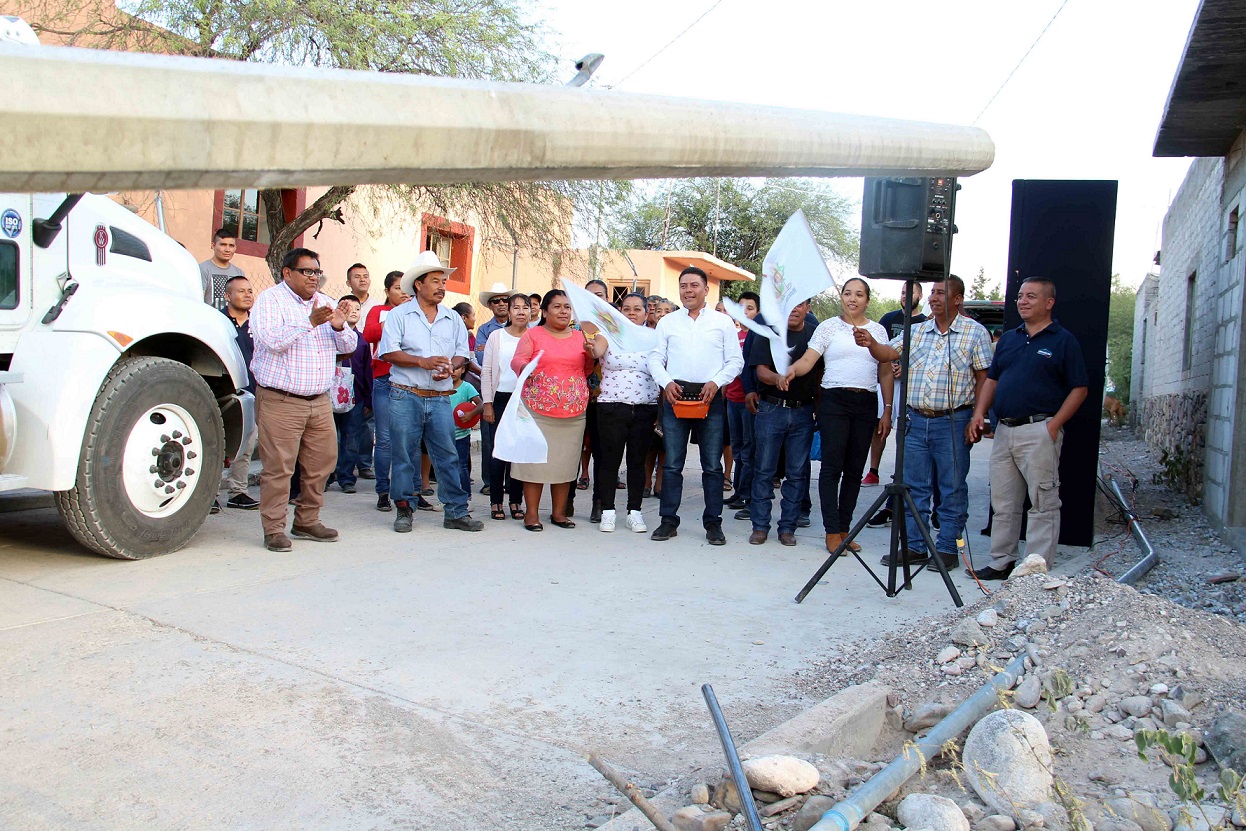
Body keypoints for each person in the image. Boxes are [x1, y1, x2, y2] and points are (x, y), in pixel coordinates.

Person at [854, 276, 993, 569]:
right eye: (932, 293)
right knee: (914, 487)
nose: (933, 298)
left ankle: (947, 549)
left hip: (953, 421)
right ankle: (916, 546)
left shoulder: (974, 333)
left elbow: (984, 378)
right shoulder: (916, 332)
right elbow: (887, 353)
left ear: (957, 299)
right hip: (916, 420)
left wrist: (978, 415)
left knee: (952, 487)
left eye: (941, 293)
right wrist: (869, 343)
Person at [966, 277, 1088, 579]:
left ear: (1049, 302)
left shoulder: (1062, 341)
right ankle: (1002, 560)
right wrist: (979, 413)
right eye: (1020, 296)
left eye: (1031, 296)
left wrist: (1054, 426)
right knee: (1004, 503)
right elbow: (991, 380)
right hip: (1004, 431)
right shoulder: (1009, 339)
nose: (1023, 301)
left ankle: (1036, 568)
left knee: (1043, 502)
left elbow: (1080, 389)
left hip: (1039, 432)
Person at [249, 247, 357, 552]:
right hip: (280, 400)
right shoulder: (270, 300)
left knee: (322, 463)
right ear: (287, 273)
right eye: (307, 271)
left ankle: (307, 520)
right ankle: (274, 528)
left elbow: (348, 345)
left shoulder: (326, 302)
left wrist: (339, 326)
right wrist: (309, 322)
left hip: (319, 400)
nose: (313, 277)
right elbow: (272, 341)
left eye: (317, 272)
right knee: (279, 468)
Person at [785, 278, 893, 554]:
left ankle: (845, 529)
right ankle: (832, 531)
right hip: (834, 401)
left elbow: (885, 371)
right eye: (847, 293)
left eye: (859, 294)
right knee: (832, 468)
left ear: (867, 300)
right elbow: (809, 359)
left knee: (855, 470)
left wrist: (888, 409)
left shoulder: (878, 330)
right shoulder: (828, 327)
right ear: (841, 297)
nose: (853, 299)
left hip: (866, 402)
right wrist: (792, 370)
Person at [378, 250, 483, 533]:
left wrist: (452, 366)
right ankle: (404, 509)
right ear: (418, 285)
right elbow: (387, 352)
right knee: (403, 455)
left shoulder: (452, 319)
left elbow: (463, 354)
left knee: (447, 454)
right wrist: (422, 362)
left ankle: (456, 512)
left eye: (443, 282)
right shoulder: (398, 315)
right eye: (435, 281)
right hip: (405, 393)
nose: (441, 287)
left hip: (439, 397)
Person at [647, 267, 744, 544]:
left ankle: (713, 523)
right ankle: (668, 521)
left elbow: (735, 362)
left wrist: (717, 382)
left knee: (712, 466)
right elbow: (655, 359)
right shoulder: (668, 322)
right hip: (676, 396)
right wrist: (666, 383)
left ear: (706, 290)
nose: (688, 291)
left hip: (709, 398)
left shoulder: (722, 323)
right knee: (673, 465)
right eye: (683, 286)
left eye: (694, 285)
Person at [509, 290, 594, 531]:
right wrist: (526, 366)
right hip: (537, 411)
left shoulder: (580, 337)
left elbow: (586, 370)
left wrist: (590, 353)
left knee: (565, 465)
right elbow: (516, 360)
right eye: (557, 306)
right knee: (534, 464)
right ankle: (532, 515)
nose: (563, 311)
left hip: (573, 413)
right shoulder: (533, 335)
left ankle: (559, 514)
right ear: (544, 311)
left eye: (567, 307)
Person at [744, 300, 820, 545]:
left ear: (808, 309)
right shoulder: (770, 332)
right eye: (790, 305)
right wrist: (777, 379)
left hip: (803, 412)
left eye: (801, 305)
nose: (795, 309)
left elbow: (821, 373)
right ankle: (760, 527)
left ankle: (787, 527)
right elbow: (761, 371)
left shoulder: (815, 336)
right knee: (764, 470)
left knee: (797, 474)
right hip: (771, 409)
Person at [585, 291, 658, 533]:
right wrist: (590, 346)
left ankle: (634, 512)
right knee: (609, 460)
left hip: (645, 407)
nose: (632, 313)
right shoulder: (609, 335)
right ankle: (608, 511)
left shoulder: (654, 338)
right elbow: (595, 352)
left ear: (646, 313)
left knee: (637, 462)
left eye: (637, 309)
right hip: (611, 407)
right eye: (627, 308)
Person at [863, 280, 926, 487]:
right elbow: (879, 348)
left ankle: (902, 473)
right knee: (879, 424)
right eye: (902, 292)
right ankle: (873, 470)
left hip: (910, 385)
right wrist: (889, 365)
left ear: (920, 297)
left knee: (906, 428)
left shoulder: (925, 323)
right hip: (885, 379)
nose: (905, 296)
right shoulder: (888, 319)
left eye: (910, 292)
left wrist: (904, 370)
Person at [362, 270, 410, 512]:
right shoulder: (379, 312)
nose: (402, 292)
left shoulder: (417, 312)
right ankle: (383, 490)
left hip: (410, 381)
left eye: (405, 287)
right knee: (384, 440)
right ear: (387, 291)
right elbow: (368, 334)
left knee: (409, 439)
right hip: (384, 379)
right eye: (397, 288)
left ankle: (409, 492)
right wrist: (395, 319)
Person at [481, 293, 531, 520]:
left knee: (519, 452)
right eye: (516, 307)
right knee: (498, 451)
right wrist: (488, 403)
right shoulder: (496, 336)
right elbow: (487, 371)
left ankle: (515, 501)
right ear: (508, 312)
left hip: (524, 401)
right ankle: (496, 501)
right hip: (500, 398)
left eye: (525, 307)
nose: (521, 312)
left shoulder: (534, 336)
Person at [217, 274, 258, 512]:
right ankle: (209, 494)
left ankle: (238, 492)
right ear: (228, 296)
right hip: (222, 392)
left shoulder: (258, 324)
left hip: (251, 392)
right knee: (216, 444)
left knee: (246, 445)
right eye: (241, 291)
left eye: (250, 290)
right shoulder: (217, 322)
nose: (247, 295)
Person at [330, 295, 372, 494]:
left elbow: (367, 371)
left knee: (351, 437)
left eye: (358, 307)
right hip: (329, 394)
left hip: (355, 397)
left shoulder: (362, 341)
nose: (354, 310)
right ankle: (327, 475)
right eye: (348, 307)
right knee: (329, 438)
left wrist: (367, 398)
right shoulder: (328, 335)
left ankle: (346, 477)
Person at [723, 291, 760, 512]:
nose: (745, 312)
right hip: (731, 398)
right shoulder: (732, 335)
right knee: (737, 447)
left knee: (749, 449)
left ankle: (748, 494)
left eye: (750, 308)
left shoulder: (759, 336)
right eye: (741, 308)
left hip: (749, 400)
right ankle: (739, 491)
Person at [475, 282, 512, 496]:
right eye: (496, 300)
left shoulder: (521, 328)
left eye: (505, 300)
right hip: (492, 389)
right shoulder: (484, 330)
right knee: (490, 438)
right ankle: (490, 481)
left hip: (514, 390)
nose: (501, 304)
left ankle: (512, 481)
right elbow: (482, 359)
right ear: (490, 305)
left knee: (513, 435)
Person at [580, 279, 610, 522]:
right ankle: (566, 500)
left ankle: (598, 502)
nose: (595, 299)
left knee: (601, 452)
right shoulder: (571, 324)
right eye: (589, 295)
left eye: (599, 295)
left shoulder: (613, 326)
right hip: (573, 398)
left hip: (604, 399)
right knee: (572, 450)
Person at [449, 365, 483, 494]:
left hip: (461, 435)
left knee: (461, 466)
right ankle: (447, 497)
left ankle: (466, 497)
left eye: (456, 368)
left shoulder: (467, 387)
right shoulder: (441, 387)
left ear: (463, 370)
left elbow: (480, 404)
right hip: (443, 434)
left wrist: (470, 414)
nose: (452, 372)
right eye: (449, 368)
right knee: (445, 467)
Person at [199, 228, 245, 311]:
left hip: (232, 322)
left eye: (231, 246)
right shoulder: (203, 269)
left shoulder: (239, 273)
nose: (227, 250)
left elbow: (242, 301)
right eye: (223, 245)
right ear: (213, 246)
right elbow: (198, 300)